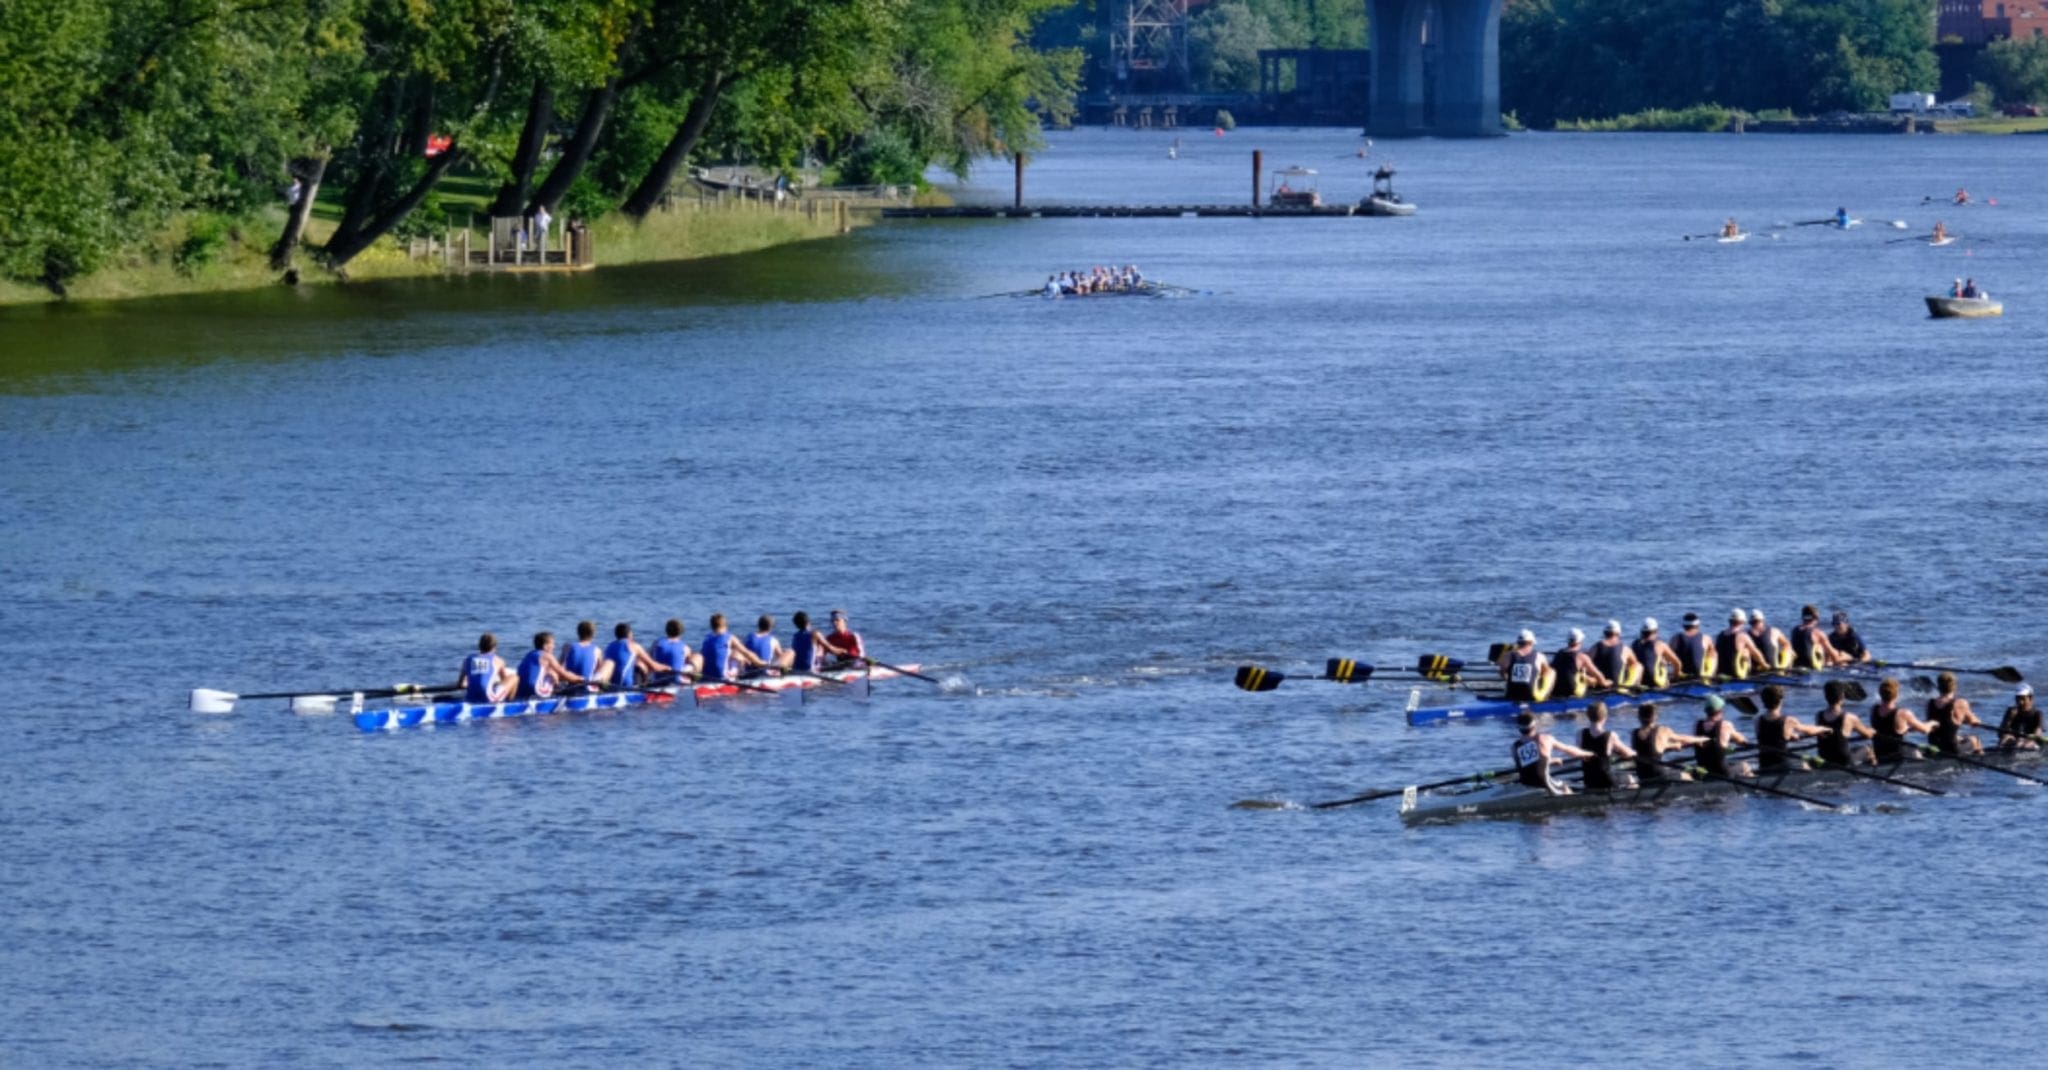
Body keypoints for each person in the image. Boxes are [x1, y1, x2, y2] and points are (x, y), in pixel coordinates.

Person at [1752, 684, 1828, 774]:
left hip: (1764, 765)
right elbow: (1809, 731)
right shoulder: (1788, 721)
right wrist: (1823, 729)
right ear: (1780, 701)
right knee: (1805, 761)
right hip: (1782, 765)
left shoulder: (1757, 720)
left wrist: (1788, 735)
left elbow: (1769, 737)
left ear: (1763, 701)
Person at [1512, 711, 1593, 795]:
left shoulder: (1514, 747)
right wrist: (1587, 754)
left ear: (1519, 729)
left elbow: (1527, 765)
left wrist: (1551, 760)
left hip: (1525, 783)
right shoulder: (1544, 739)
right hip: (1543, 784)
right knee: (1566, 788)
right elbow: (1569, 750)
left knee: (1561, 784)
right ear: (1534, 725)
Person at [1632, 704, 1708, 783]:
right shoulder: (1662, 730)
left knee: (1669, 770)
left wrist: (1671, 746)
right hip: (1658, 774)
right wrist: (1700, 739)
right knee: (1688, 775)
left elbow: (1647, 750)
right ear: (1655, 717)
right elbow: (1683, 739)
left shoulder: (1634, 733)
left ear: (1639, 717)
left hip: (1642, 775)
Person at [1812, 680, 1877, 768]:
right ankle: (1876, 769)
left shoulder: (1818, 716)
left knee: (1854, 748)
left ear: (1826, 697)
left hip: (1824, 758)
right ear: (1842, 697)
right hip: (1843, 761)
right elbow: (1867, 735)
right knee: (1868, 748)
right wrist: (1872, 731)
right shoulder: (1849, 717)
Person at [1870, 677, 1934, 764]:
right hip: (1896, 756)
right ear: (1897, 694)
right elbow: (1925, 730)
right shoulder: (1903, 713)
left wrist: (1906, 729)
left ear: (1880, 694)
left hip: (1879, 753)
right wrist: (1933, 722)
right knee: (1916, 751)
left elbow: (1884, 728)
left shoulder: (1873, 709)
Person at [1577, 702, 1637, 791]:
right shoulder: (1610, 736)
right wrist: (1635, 753)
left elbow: (1581, 754)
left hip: (1589, 780)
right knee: (1629, 778)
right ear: (1605, 717)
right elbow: (1628, 753)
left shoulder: (1580, 734)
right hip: (1607, 781)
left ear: (1588, 716)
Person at [1925, 671, 1985, 756]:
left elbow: (1941, 724)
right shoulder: (1960, 703)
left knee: (1960, 737)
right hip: (1952, 749)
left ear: (1938, 686)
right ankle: (1980, 762)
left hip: (1934, 746)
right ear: (1954, 687)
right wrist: (1975, 719)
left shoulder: (1930, 703)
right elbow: (1974, 722)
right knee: (1975, 740)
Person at [514, 631, 585, 700]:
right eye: (552, 644)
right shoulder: (547, 656)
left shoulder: (530, 654)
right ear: (545, 646)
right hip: (534, 692)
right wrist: (579, 679)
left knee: (551, 673)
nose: (554, 646)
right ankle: (556, 694)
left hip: (519, 691)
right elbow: (563, 674)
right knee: (555, 675)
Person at [1694, 695, 1752, 778]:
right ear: (1720, 710)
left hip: (1704, 772)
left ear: (1706, 711)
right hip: (1722, 773)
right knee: (1745, 765)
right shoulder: (1725, 725)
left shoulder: (1697, 725)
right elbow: (1742, 741)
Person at [699, 613, 767, 680]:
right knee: (738, 655)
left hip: (706, 676)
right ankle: (740, 678)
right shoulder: (729, 637)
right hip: (721, 677)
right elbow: (747, 653)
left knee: (731, 653)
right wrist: (761, 663)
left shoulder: (707, 639)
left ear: (712, 626)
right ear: (725, 625)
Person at [1551, 628, 1612, 698]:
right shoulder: (1581, 657)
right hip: (1571, 691)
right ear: (1580, 642)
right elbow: (1598, 674)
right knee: (1594, 680)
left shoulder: (1559, 652)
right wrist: (1605, 683)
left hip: (1556, 689)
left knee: (1582, 674)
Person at [459, 633, 516, 703]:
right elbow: (503, 681)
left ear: (479, 646)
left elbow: (461, 684)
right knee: (514, 678)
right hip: (488, 698)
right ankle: (509, 704)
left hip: (470, 697)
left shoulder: (468, 659)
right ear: (494, 647)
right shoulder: (498, 661)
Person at [602, 622, 662, 689]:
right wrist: (669, 668)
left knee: (636, 663)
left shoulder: (609, 647)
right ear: (629, 634)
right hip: (625, 687)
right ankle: (644, 687)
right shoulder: (633, 646)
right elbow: (654, 666)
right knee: (641, 664)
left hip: (610, 687)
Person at [1714, 608, 1771, 679]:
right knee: (1746, 651)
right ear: (1743, 621)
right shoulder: (1743, 636)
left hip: (1721, 672)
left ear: (1729, 621)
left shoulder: (1720, 635)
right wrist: (1765, 665)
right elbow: (1755, 653)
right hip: (1736, 673)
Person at [1496, 629, 1548, 702]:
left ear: (1518, 642)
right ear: (1532, 642)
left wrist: (1508, 678)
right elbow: (1545, 673)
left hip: (1512, 695)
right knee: (1551, 672)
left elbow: (1502, 673)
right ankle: (1546, 695)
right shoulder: (1540, 656)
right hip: (1531, 696)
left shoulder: (1508, 655)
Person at [1789, 604, 1846, 669]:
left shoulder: (1795, 630)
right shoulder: (1818, 633)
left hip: (1796, 666)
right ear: (1816, 618)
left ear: (1803, 617)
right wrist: (1847, 657)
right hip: (1811, 669)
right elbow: (1835, 658)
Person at [1590, 619, 1642, 688]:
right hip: (1618, 686)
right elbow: (1634, 664)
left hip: (1600, 684)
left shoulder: (1596, 646)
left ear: (1604, 632)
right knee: (1639, 666)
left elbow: (1585, 663)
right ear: (1619, 633)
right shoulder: (1625, 649)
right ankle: (1634, 688)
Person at [1631, 617, 1682, 687]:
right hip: (1655, 683)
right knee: (1664, 664)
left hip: (1641, 681)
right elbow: (1677, 663)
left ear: (1642, 631)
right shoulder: (1660, 645)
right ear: (1656, 631)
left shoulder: (1634, 644)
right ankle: (1667, 683)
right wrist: (1676, 678)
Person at [560, 620, 610, 686]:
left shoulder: (567, 647)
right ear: (593, 634)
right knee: (609, 663)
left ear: (578, 633)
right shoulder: (597, 650)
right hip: (587, 685)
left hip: (571, 684)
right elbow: (598, 671)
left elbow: (560, 668)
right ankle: (604, 687)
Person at [652, 619, 700, 683]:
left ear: (666, 630)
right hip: (677, 681)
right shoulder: (685, 648)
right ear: (680, 632)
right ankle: (694, 682)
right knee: (698, 657)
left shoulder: (656, 643)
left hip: (657, 679)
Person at [1671, 612, 1716, 680]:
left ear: (1683, 625)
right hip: (1699, 676)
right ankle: (1710, 675)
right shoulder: (1706, 639)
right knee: (1713, 654)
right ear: (1698, 625)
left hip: (1682, 676)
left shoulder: (1675, 638)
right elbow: (1713, 656)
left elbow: (1667, 659)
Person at [1998, 684, 2042, 750]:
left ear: (2031, 699)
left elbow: (2038, 733)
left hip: (2030, 742)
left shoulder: (2037, 714)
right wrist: (2010, 718)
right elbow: (2000, 734)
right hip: (2013, 741)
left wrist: (2033, 737)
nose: (2020, 702)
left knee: (2023, 744)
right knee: (2005, 739)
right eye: (2017, 699)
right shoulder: (2010, 711)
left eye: (2023, 699)